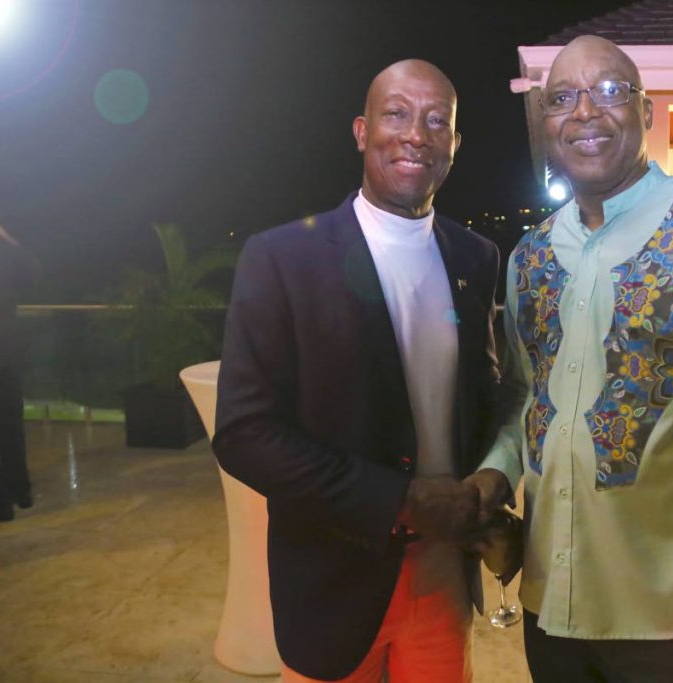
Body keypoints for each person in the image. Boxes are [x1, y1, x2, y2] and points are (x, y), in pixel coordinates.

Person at [466, 35, 673, 683]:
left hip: (672, 619)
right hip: (549, 613)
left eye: (611, 90)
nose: (585, 111)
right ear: (545, 123)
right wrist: (495, 472)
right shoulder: (530, 256)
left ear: (646, 112)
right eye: (562, 98)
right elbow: (532, 401)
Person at [212, 60, 500, 682]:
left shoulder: (475, 258)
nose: (415, 134)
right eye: (396, 114)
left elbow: (483, 396)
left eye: (436, 121)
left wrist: (489, 489)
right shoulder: (282, 258)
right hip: (332, 576)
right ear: (361, 130)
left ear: (454, 143)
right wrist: (400, 501)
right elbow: (243, 434)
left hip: (444, 572)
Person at [0, 222, 38, 524]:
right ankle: (20, 490)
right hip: (8, 349)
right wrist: (8, 238)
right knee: (10, 423)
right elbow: (32, 270)